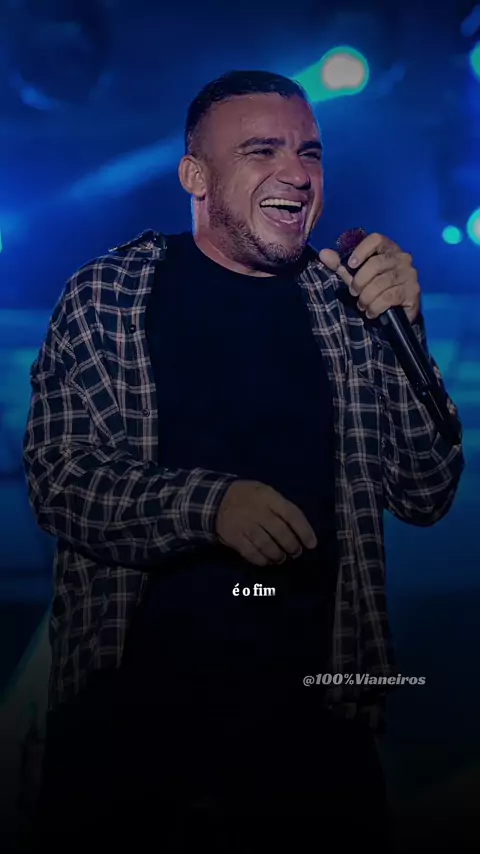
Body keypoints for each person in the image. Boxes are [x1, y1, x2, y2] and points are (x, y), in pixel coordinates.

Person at [23, 70, 464, 851]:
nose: (297, 172)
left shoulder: (347, 307)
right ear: (194, 175)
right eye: (262, 151)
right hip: (131, 725)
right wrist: (211, 506)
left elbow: (425, 491)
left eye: (309, 153)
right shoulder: (107, 296)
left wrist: (408, 325)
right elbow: (61, 480)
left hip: (317, 725)